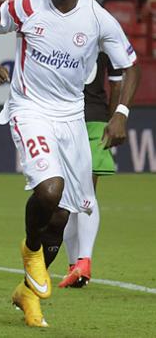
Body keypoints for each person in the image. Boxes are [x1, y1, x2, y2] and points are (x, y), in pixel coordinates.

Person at [0, 0, 139, 328]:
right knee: (49, 190)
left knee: (63, 214)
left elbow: (129, 66)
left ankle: (27, 295)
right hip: (29, 109)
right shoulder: (26, 7)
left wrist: (121, 113)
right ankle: (31, 252)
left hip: (71, 118)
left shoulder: (98, 18)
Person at [59, 52, 122, 288]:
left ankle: (76, 263)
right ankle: (80, 264)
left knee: (67, 196)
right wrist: (114, 117)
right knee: (85, 193)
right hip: (96, 118)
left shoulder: (62, 29)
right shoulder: (106, 38)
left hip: (65, 118)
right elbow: (118, 82)